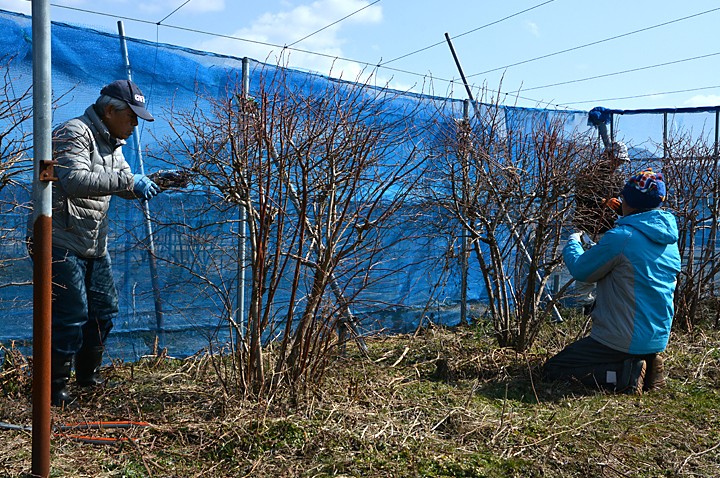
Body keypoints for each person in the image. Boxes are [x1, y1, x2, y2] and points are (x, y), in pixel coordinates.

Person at [29, 79, 161, 406]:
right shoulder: (73, 133)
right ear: (109, 110)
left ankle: (88, 378)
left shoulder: (114, 144)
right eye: (131, 117)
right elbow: (73, 180)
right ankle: (53, 391)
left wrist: (155, 182)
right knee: (71, 314)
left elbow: (122, 184)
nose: (134, 125)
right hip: (58, 238)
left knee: (103, 312)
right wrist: (130, 180)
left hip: (92, 242)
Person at [544, 168, 681, 394]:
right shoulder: (668, 239)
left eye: (624, 197)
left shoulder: (622, 238)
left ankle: (624, 375)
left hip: (622, 338)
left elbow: (581, 270)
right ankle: (649, 361)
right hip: (656, 336)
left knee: (554, 368)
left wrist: (572, 241)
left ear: (631, 202)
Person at [572, 141, 631, 314]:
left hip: (608, 227)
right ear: (608, 156)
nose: (619, 164)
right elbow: (581, 197)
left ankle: (604, 304)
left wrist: (621, 208)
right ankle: (586, 305)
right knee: (589, 265)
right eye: (617, 160)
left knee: (608, 267)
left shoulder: (617, 177)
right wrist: (602, 202)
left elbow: (620, 200)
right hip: (588, 226)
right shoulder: (588, 174)